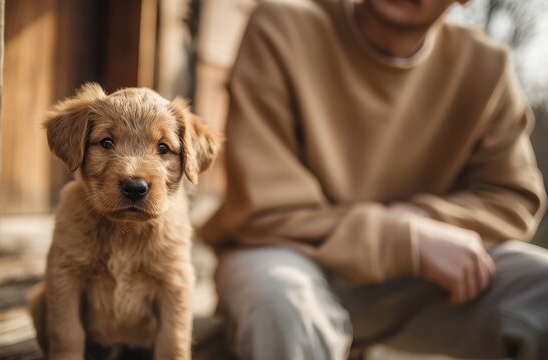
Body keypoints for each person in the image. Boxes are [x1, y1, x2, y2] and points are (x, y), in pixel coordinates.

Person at [200, 0, 548, 359]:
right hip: (284, 253)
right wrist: (405, 237)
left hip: (409, 283)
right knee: (280, 304)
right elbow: (265, 208)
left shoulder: (486, 68)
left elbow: (514, 198)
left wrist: (419, 225)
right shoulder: (283, 26)